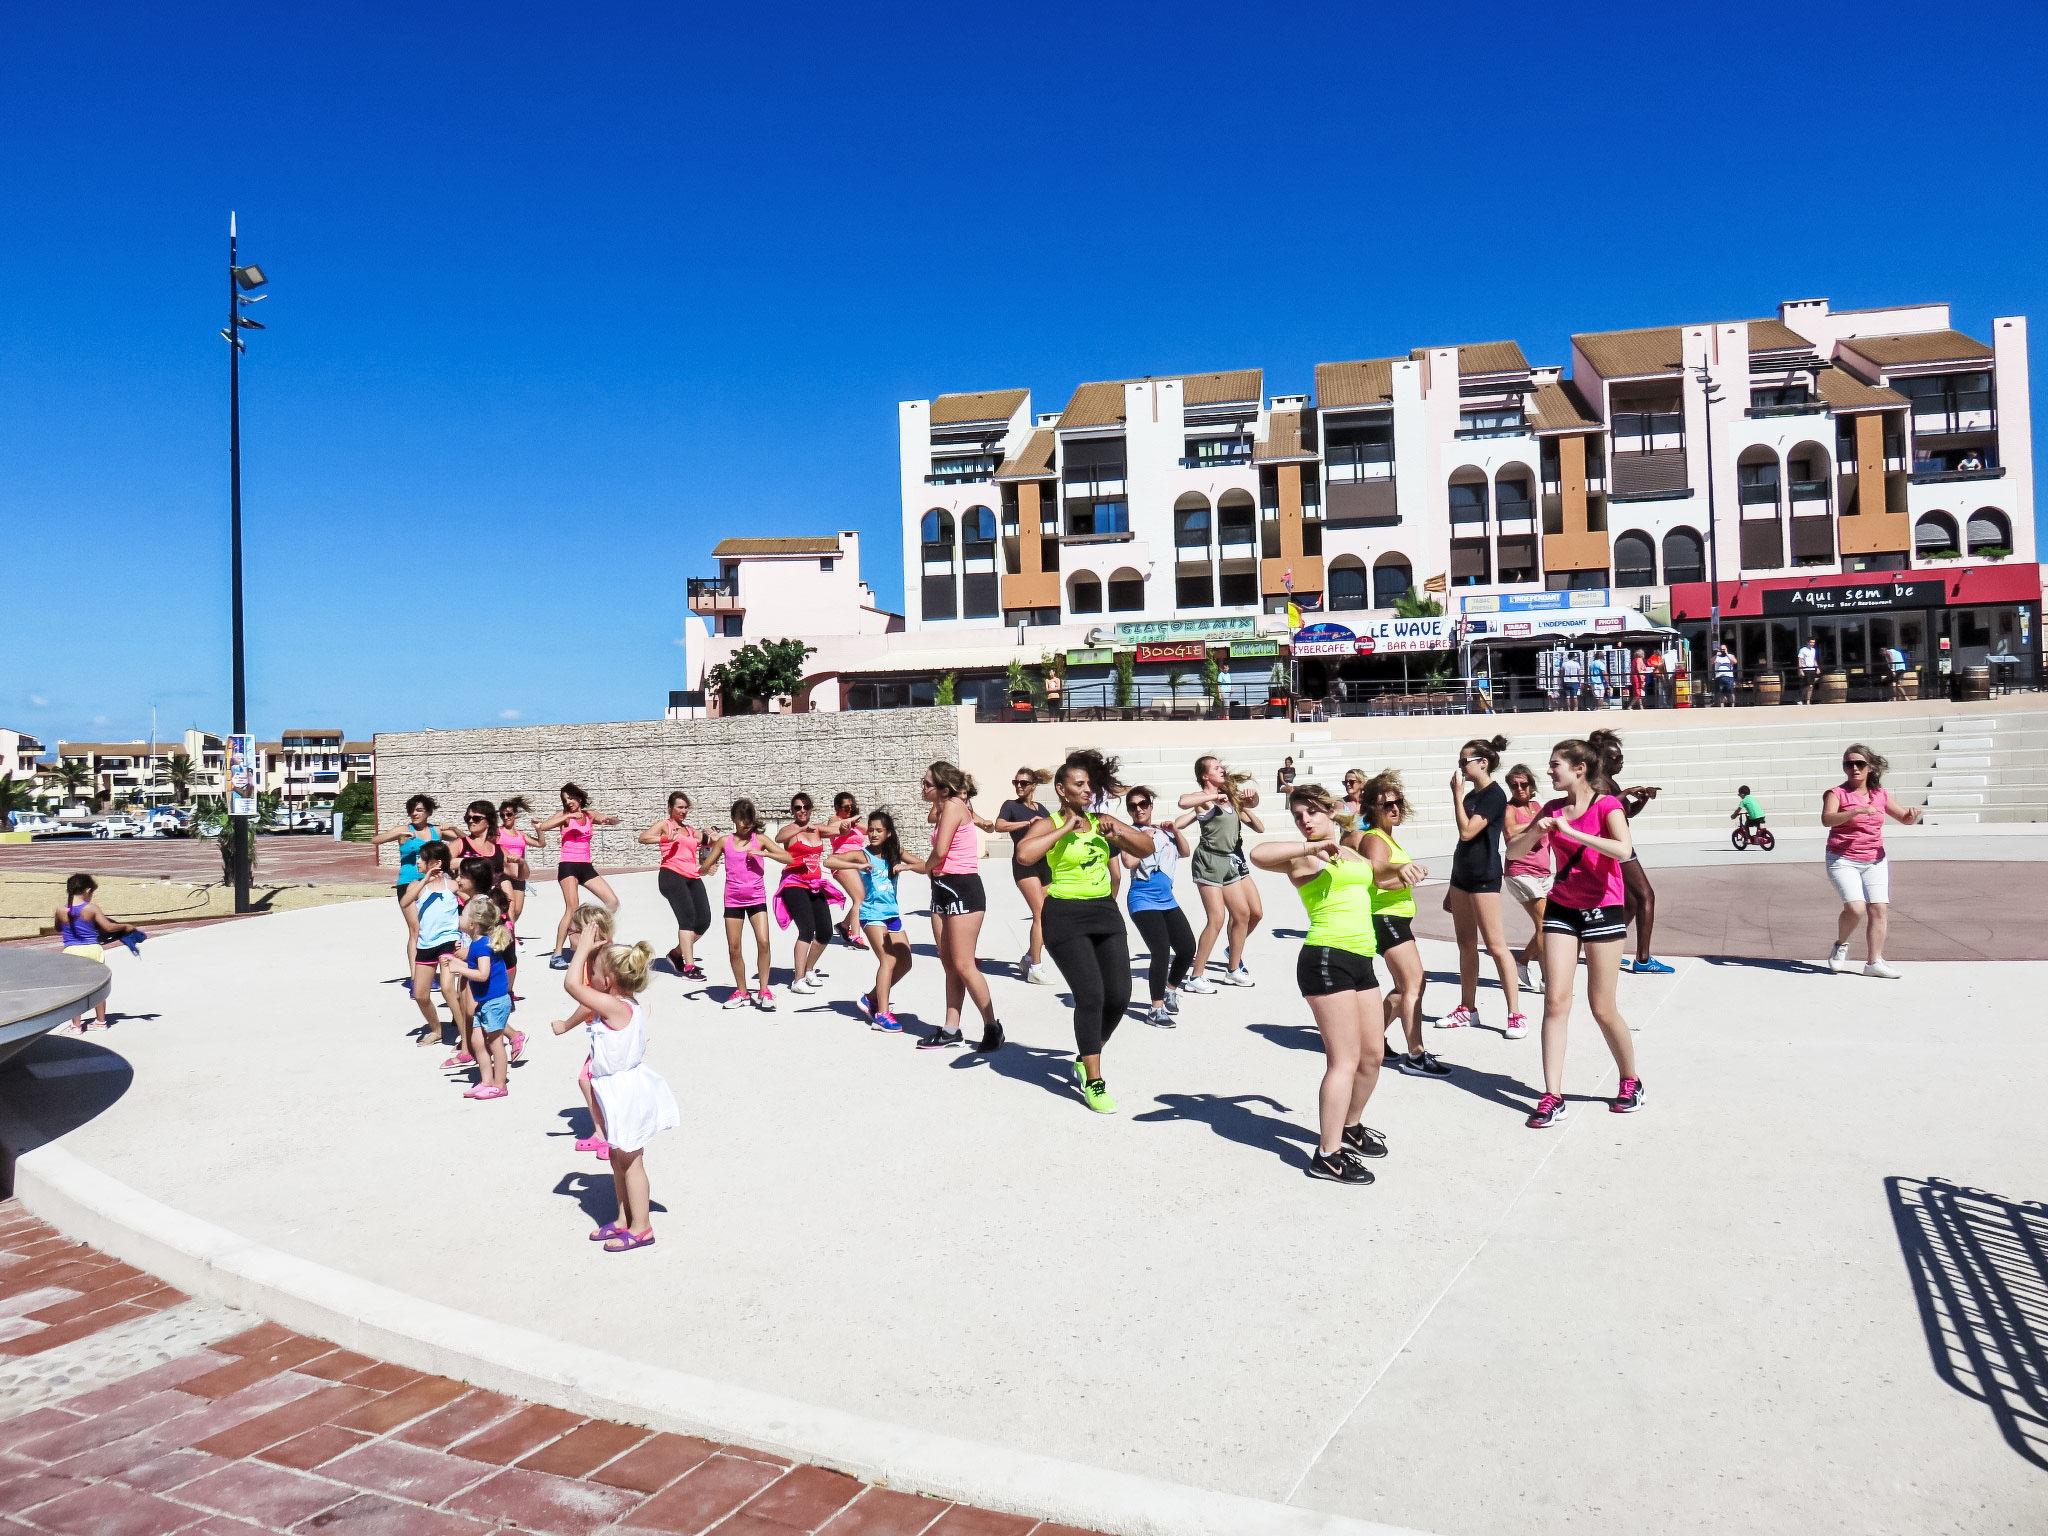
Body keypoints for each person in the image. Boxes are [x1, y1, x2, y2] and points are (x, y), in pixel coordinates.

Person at [1504, 730, 1644, 1128]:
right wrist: (1537, 832)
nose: (1549, 772)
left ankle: (1630, 1080)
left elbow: (1623, 849)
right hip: (1562, 908)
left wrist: (1573, 832)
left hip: (1603, 908)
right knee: (1555, 1001)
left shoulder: (1607, 806)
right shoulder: (1550, 808)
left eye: (1555, 765)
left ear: (1579, 769)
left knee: (1602, 1007)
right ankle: (1552, 1095)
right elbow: (1513, 852)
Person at [1251, 784, 1389, 1185]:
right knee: (1343, 1060)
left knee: (1373, 1056)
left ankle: (1350, 1126)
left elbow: (1375, 879)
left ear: (1330, 811)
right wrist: (1309, 847)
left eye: (1311, 812)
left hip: (1361, 958)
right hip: (1326, 958)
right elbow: (1258, 855)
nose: (1305, 820)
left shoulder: (1351, 851)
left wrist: (1404, 873)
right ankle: (1327, 1155)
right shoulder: (1303, 857)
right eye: (1298, 816)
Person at [1015, 750, 1152, 1112]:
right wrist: (1064, 829)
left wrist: (1118, 832)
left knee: (1119, 996)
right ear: (1062, 790)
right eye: (1079, 784)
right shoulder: (1049, 823)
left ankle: (1086, 1054)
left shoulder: (1102, 820)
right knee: (1091, 995)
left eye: (1089, 784)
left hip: (1104, 912)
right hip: (1064, 915)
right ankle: (1094, 1080)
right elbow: (1025, 856)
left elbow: (1147, 847)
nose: (1088, 790)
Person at [555, 923, 678, 1253]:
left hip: (625, 1093)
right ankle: (624, 1218)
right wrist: (593, 953)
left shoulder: (616, 1007)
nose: (589, 978)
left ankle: (642, 1228)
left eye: (594, 973)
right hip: (613, 1091)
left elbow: (571, 984)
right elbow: (583, 987)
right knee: (617, 1158)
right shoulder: (617, 1002)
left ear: (607, 982)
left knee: (631, 1161)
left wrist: (582, 948)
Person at [1355, 772, 1445, 1074]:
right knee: (1414, 984)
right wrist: (1404, 873)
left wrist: (1408, 876)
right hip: (1386, 918)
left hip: (1394, 918)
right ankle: (1416, 1054)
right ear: (1373, 808)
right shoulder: (1374, 839)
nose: (1395, 808)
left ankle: (1368, 1040)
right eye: (1387, 805)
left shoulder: (1386, 837)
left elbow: (1387, 879)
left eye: (1398, 803)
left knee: (1404, 986)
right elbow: (1375, 875)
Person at [1438, 736, 1526, 1037]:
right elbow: (1462, 844)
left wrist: (1456, 795)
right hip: (1462, 875)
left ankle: (1515, 1013)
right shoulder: (1472, 797)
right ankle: (1468, 1008)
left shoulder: (1494, 795)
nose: (1461, 766)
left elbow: (1467, 832)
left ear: (1483, 763)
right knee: (1465, 945)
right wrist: (1451, 886)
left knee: (1496, 946)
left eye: (1465, 761)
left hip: (1484, 877)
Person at [917, 761, 1003, 1052]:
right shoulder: (944, 807)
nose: (922, 788)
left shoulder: (954, 806)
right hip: (942, 889)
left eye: (927, 783)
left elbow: (940, 851)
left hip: (962, 887)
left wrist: (924, 868)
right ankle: (951, 1029)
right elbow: (933, 821)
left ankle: (992, 1026)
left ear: (943, 788)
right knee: (948, 963)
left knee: (965, 964)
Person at [1822, 744, 1920, 978]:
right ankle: (1841, 945)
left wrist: (1912, 816)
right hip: (1842, 859)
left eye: (1859, 763)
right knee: (1855, 908)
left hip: (1875, 860)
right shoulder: (1836, 793)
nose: (1854, 768)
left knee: (1878, 909)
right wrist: (1854, 812)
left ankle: (1874, 962)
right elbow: (1827, 819)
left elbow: (1903, 817)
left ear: (1870, 767)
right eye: (1849, 764)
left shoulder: (1880, 794)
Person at [1179, 755, 1266, 989]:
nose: (1222, 770)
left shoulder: (1228, 799)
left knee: (1243, 914)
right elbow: (1183, 801)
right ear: (1205, 775)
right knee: (1216, 918)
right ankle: (1196, 977)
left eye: (1221, 767)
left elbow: (1256, 819)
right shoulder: (1204, 800)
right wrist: (1213, 797)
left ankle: (1233, 969)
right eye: (1216, 768)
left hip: (1229, 861)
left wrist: (1250, 799)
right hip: (1209, 860)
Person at [826, 810, 916, 1032]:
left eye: (879, 830)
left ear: (888, 833)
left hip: (892, 913)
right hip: (871, 914)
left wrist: (907, 866)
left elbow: (924, 866)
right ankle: (882, 1015)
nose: (873, 834)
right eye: (871, 830)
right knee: (888, 960)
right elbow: (829, 860)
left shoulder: (896, 852)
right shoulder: (863, 854)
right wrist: (856, 867)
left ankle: (871, 998)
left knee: (905, 962)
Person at [700, 799, 792, 1010]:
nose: (745, 824)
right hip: (733, 900)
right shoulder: (724, 841)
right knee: (734, 948)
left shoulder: (760, 839)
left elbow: (788, 858)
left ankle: (764, 990)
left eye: (748, 819)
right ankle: (741, 992)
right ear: (733, 818)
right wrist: (705, 866)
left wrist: (765, 853)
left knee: (764, 942)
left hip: (756, 898)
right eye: (741, 819)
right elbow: (705, 867)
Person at [1121, 786, 1199, 1027]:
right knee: (1161, 950)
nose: (1138, 809)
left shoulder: (1163, 831)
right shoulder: (1129, 833)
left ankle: (1170, 990)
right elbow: (1128, 862)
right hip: (1142, 899)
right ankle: (1155, 1009)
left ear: (1151, 806)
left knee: (1187, 948)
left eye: (1143, 804)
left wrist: (1174, 830)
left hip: (1167, 899)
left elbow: (1184, 852)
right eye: (1133, 806)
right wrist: (1146, 841)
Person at [538, 783, 621, 969]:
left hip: (586, 866)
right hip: (568, 866)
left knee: (613, 902)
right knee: (572, 908)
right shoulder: (564, 816)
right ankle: (557, 954)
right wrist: (567, 816)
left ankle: (590, 929)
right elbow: (543, 826)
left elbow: (607, 819)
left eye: (571, 798)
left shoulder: (589, 814)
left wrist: (610, 820)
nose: (568, 802)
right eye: (565, 799)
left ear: (579, 798)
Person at [441, 896, 514, 1100]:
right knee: (478, 1042)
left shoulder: (482, 946)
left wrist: (458, 969)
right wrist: (455, 962)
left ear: (473, 924)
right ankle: (486, 1081)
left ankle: (499, 1084)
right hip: (484, 1002)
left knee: (496, 1044)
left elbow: (482, 974)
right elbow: (474, 968)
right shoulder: (476, 943)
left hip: (494, 1002)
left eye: (463, 915)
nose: (459, 917)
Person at [989, 768, 1054, 984]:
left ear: (1033, 786)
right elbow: (999, 825)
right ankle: (1035, 967)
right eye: (1016, 782)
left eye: (1024, 783)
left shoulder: (1041, 808)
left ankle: (1028, 958)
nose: (1019, 786)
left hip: (1045, 864)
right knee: (1040, 914)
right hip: (1024, 866)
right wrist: (1027, 823)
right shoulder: (1011, 806)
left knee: (1048, 916)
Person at [54, 874, 142, 1031]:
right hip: (93, 950)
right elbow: (108, 927)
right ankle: (101, 1022)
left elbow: (58, 928)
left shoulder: (60, 910)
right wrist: (125, 926)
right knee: (98, 986)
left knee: (76, 988)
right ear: (88, 890)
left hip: (71, 951)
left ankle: (76, 1026)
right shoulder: (91, 908)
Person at [638, 792, 711, 980]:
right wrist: (664, 839)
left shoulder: (690, 830)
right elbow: (643, 837)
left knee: (704, 921)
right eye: (680, 807)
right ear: (670, 808)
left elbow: (710, 841)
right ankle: (689, 967)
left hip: (692, 875)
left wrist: (713, 836)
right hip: (671, 875)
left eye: (686, 808)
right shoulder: (666, 825)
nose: (683, 811)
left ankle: (676, 954)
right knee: (687, 919)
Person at [773, 793, 838, 995]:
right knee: (806, 929)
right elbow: (778, 838)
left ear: (811, 808)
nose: (802, 811)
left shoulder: (817, 828)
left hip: (814, 884)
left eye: (806, 807)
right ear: (792, 810)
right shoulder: (791, 829)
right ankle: (798, 979)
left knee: (825, 932)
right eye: (798, 807)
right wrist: (801, 828)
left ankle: (809, 970)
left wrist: (848, 822)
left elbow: (839, 829)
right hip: (793, 883)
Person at [371, 794, 445, 968]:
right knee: (415, 929)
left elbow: (464, 838)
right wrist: (398, 834)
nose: (414, 813)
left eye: (419, 810)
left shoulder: (436, 831)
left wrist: (455, 828)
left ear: (428, 812)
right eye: (412, 810)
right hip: (408, 882)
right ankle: (415, 975)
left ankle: (430, 968)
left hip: (433, 882)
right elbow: (375, 840)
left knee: (433, 926)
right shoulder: (404, 829)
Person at [400, 841, 461, 1047]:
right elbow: (404, 902)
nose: (417, 862)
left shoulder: (452, 885)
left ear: (436, 862)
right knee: (420, 994)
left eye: (422, 859)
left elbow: (472, 900)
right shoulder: (416, 885)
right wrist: (425, 880)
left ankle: (466, 1036)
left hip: (448, 942)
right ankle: (437, 1029)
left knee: (447, 988)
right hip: (426, 945)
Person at [1502, 764, 1552, 999]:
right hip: (1521, 872)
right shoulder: (1509, 809)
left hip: (1544, 873)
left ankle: (1521, 961)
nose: (1519, 789)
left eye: (1524, 784)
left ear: (1531, 785)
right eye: (1514, 785)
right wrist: (1539, 822)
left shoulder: (1538, 807)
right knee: (1544, 925)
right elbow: (1510, 831)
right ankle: (1548, 980)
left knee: (1548, 924)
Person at [1618, 785, 1673, 975]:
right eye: (1617, 768)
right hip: (1618, 849)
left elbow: (1627, 813)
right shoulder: (1599, 781)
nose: (1620, 768)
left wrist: (1643, 800)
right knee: (1646, 896)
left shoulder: (1608, 781)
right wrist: (1625, 793)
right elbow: (1598, 810)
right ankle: (1643, 959)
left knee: (1632, 903)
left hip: (1620, 847)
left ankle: (1608, 947)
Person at [827, 792, 870, 948]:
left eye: (852, 807)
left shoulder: (854, 822)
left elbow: (869, 829)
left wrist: (854, 822)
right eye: (846, 807)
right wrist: (850, 820)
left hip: (858, 862)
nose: (850, 810)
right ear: (837, 807)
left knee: (864, 898)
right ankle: (855, 937)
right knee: (860, 899)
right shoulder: (834, 820)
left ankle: (844, 926)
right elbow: (831, 828)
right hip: (841, 862)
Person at [495, 797, 543, 933]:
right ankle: (508, 935)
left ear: (515, 815)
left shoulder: (521, 835)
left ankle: (504, 930)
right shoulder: (498, 832)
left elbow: (541, 843)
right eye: (502, 815)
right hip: (504, 873)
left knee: (517, 910)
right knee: (509, 906)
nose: (506, 817)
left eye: (509, 814)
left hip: (519, 875)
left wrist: (539, 829)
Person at [1712, 642, 1738, 707]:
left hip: (1729, 677)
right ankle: (1722, 706)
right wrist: (1716, 655)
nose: (1722, 651)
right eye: (1721, 649)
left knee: (1731, 692)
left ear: (1726, 649)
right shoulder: (1717, 657)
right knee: (1720, 692)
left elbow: (1735, 661)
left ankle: (1732, 705)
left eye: (1724, 649)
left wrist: (1727, 654)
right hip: (1719, 677)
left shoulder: (1730, 656)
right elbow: (1711, 662)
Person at [1797, 638, 1821, 705]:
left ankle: (1808, 700)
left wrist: (1817, 668)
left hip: (1812, 669)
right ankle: (1800, 698)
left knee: (1811, 686)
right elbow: (1800, 660)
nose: (1812, 644)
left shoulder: (1813, 650)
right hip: (1805, 669)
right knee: (1808, 685)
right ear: (1807, 642)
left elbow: (1814, 659)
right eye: (1811, 642)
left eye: (1813, 642)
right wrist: (1800, 670)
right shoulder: (1803, 650)